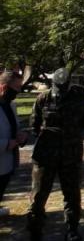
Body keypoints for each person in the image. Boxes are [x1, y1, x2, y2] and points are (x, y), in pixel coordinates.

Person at [27, 67, 84, 241]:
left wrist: (69, 134)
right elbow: (34, 124)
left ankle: (72, 230)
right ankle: (35, 229)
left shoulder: (82, 95)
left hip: (71, 153)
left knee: (72, 194)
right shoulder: (43, 98)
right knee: (38, 194)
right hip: (45, 154)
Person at [0, 71, 27, 218]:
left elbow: (15, 127)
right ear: (4, 87)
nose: (18, 91)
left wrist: (21, 136)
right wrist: (4, 144)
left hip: (7, 163)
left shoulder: (11, 105)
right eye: (15, 88)